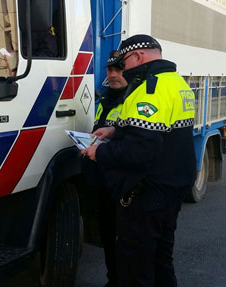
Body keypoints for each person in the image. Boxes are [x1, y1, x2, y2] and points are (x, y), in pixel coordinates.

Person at [81, 34, 197, 287]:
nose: (123, 69)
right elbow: (160, 132)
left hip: (148, 193)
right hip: (172, 186)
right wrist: (114, 131)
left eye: (123, 63)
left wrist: (98, 152)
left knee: (136, 267)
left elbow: (138, 151)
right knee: (161, 259)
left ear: (138, 56)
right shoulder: (176, 83)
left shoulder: (149, 88)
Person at [84, 50, 128, 287]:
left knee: (125, 242)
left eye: (119, 69)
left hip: (122, 183)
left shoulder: (132, 101)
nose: (113, 75)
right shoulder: (104, 100)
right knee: (109, 240)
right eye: (110, 70)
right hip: (102, 181)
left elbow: (133, 143)